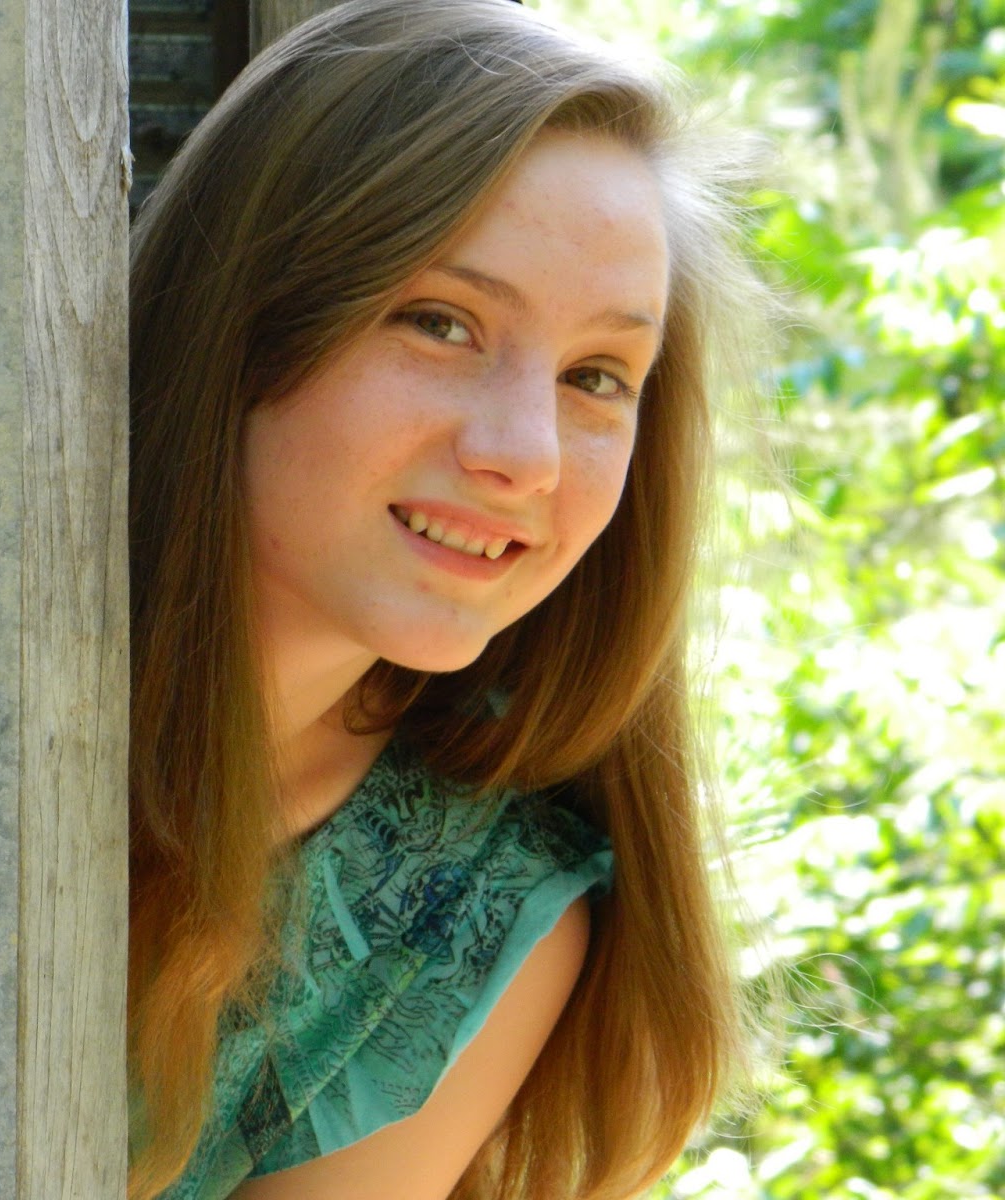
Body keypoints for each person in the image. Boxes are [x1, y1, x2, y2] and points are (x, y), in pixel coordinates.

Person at [127, 1, 772, 1196]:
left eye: (595, 376)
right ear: (242, 319)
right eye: (441, 323)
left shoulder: (464, 917)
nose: (525, 454)